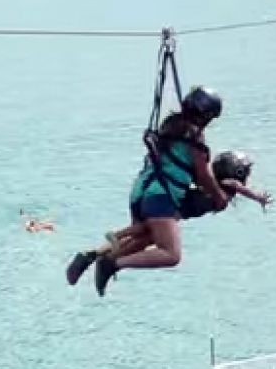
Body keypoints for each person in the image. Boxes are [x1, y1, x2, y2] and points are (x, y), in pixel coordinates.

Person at [66, 86, 230, 295]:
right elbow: (203, 175)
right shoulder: (194, 138)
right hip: (161, 196)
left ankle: (91, 256)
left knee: (146, 238)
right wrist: (219, 197)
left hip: (142, 191)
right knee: (171, 254)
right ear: (206, 116)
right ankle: (112, 265)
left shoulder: (171, 126)